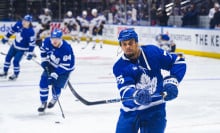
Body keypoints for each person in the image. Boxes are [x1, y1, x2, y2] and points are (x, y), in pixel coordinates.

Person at [113, 28, 186, 133]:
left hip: (155, 108)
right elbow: (125, 89)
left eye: (130, 43)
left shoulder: (152, 52)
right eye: (124, 44)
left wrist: (172, 82)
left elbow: (178, 62)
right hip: (130, 111)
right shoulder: (119, 66)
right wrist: (135, 94)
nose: (127, 46)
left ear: (137, 42)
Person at [37, 29, 75, 112]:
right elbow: (43, 50)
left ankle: (54, 99)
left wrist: (54, 75)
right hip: (52, 64)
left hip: (65, 68)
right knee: (43, 81)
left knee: (56, 86)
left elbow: (65, 65)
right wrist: (44, 61)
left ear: (61, 38)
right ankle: (43, 103)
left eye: (57, 38)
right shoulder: (47, 41)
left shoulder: (66, 48)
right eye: (53, 38)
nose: (54, 40)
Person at [0, 14, 35, 80]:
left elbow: (32, 44)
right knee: (7, 58)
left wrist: (30, 53)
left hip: (21, 50)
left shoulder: (31, 32)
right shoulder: (18, 24)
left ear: (29, 22)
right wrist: (6, 38)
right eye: (24, 20)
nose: (24, 22)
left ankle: (15, 74)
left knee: (15, 61)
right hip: (14, 46)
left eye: (27, 21)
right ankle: (5, 72)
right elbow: (11, 31)